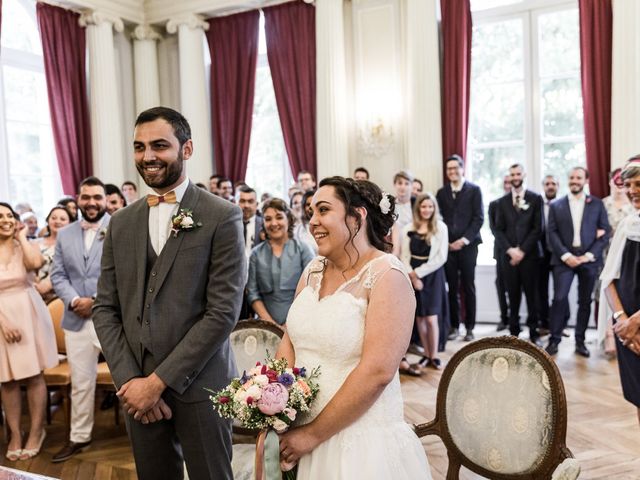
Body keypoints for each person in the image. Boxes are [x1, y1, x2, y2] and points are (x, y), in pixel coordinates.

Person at [93, 107, 245, 480]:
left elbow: (222, 313)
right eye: (139, 147)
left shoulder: (222, 216)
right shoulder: (121, 223)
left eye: (159, 145)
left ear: (187, 148)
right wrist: (130, 381)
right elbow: (105, 309)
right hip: (137, 392)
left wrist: (157, 383)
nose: (147, 157)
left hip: (202, 388)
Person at [276, 177, 432, 479]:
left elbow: (378, 372)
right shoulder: (313, 270)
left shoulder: (387, 275)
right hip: (299, 435)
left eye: (323, 210)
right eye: (310, 212)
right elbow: (290, 340)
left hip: (359, 444)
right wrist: (273, 399)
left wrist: (312, 435)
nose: (313, 222)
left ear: (357, 217)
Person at [50, 176, 111, 462]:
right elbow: (58, 275)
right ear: (78, 199)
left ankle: (145, 438)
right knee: (81, 382)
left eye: (96, 197)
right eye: (86, 197)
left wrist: (96, 301)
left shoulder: (119, 227)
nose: (91, 203)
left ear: (105, 200)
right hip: (76, 320)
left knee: (129, 378)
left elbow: (126, 275)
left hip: (112, 318)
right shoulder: (65, 234)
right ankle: (79, 437)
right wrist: (75, 300)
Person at [0, 202, 58, 461]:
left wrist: (21, 236)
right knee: (7, 380)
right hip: (2, 319)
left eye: (9, 215)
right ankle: (14, 433)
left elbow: (35, 263)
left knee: (34, 377)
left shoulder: (24, 245)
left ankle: (36, 431)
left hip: (29, 312)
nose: (5, 220)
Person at [546, 167, 611, 357]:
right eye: (572, 177)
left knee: (585, 301)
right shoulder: (557, 205)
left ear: (586, 180)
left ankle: (580, 341)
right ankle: (554, 339)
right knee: (559, 298)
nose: (575, 180)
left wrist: (589, 256)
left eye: (578, 178)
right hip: (563, 259)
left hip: (588, 260)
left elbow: (605, 232)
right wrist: (566, 256)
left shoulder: (597, 204)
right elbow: (552, 233)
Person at [598, 158, 640, 423]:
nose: (633, 190)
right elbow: (607, 279)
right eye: (628, 185)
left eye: (638, 183)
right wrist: (622, 320)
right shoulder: (626, 226)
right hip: (628, 332)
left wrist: (636, 321)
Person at [492, 164, 543, 344]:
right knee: (512, 295)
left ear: (524, 174)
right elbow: (498, 230)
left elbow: (538, 229)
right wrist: (511, 250)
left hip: (530, 257)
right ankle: (513, 333)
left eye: (518, 173)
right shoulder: (501, 202)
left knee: (532, 295)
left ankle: (534, 332)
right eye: (512, 174)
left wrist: (522, 251)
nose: (515, 176)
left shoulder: (536, 199)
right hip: (509, 258)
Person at [436, 154, 484, 341]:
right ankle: (454, 326)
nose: (453, 172)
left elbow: (479, 218)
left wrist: (463, 240)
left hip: (468, 246)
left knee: (468, 286)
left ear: (462, 169)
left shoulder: (474, 190)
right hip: (447, 247)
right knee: (452, 288)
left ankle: (470, 328)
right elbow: (438, 218)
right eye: (449, 169)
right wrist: (445, 241)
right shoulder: (442, 193)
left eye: (456, 168)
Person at [247, 198, 314, 326]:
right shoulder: (256, 254)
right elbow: (252, 293)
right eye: (268, 219)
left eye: (279, 217)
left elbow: (311, 289)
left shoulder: (303, 250)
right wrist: (272, 325)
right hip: (265, 324)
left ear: (288, 219)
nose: (273, 223)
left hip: (300, 321)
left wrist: (289, 325)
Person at [401, 193, 448, 370]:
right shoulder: (408, 228)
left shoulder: (441, 228)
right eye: (423, 206)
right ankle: (425, 354)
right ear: (418, 208)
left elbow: (441, 257)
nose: (427, 209)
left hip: (433, 274)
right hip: (412, 274)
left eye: (430, 206)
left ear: (434, 208)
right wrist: (412, 275)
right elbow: (404, 255)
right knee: (420, 317)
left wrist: (419, 274)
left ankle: (434, 355)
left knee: (431, 318)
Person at [599, 168, 634, 356]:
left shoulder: (633, 205)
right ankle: (609, 336)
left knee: (625, 292)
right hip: (607, 254)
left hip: (628, 254)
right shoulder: (603, 204)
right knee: (606, 292)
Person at [33, 205, 71, 303]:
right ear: (48, 220)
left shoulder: (72, 245)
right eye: (53, 218)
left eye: (62, 219)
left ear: (70, 223)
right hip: (33, 291)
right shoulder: (35, 243)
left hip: (58, 297)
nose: (57, 221)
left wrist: (46, 285)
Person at [488, 175, 512, 331]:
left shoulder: (529, 200)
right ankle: (504, 318)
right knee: (501, 285)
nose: (508, 185)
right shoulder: (495, 204)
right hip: (501, 252)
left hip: (523, 253)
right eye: (506, 182)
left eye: (511, 182)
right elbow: (494, 229)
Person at [538, 174, 560, 335]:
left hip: (559, 254)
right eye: (547, 184)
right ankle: (544, 324)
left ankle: (559, 325)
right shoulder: (537, 204)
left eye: (553, 183)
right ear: (543, 186)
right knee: (541, 291)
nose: (550, 186)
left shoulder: (562, 205)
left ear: (558, 186)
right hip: (540, 254)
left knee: (560, 292)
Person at [237, 185, 263, 258]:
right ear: (236, 203)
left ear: (256, 204)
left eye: (250, 201)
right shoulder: (229, 225)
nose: (246, 205)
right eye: (242, 201)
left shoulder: (264, 225)